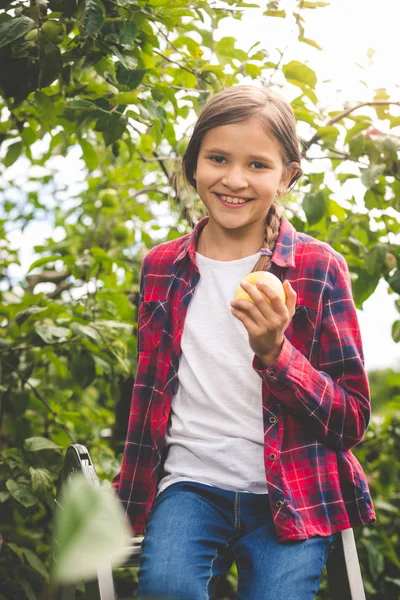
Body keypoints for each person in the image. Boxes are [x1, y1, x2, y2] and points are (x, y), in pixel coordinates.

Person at [112, 85, 376, 600]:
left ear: (288, 176)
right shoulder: (161, 269)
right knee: (166, 587)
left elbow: (351, 420)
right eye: (217, 158)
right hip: (190, 486)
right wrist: (128, 496)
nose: (234, 179)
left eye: (258, 165)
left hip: (293, 491)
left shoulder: (318, 270)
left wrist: (277, 353)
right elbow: (147, 396)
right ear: (193, 166)